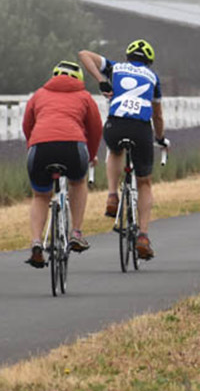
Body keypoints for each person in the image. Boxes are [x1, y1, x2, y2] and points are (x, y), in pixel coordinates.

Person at [77, 40, 168, 260]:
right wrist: (159, 137)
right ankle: (144, 235)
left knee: (115, 151)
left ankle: (111, 195)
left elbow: (83, 54)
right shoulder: (153, 77)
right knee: (144, 182)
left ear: (128, 56)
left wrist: (101, 82)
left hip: (116, 124)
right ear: (149, 61)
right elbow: (157, 115)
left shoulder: (115, 67)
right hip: (141, 129)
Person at [21, 61, 103, 268]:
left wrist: (33, 147)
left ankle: (37, 242)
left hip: (39, 148)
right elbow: (95, 130)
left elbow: (27, 125)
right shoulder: (84, 97)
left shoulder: (39, 95)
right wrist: (91, 156)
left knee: (40, 196)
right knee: (77, 182)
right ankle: (76, 232)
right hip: (73, 148)